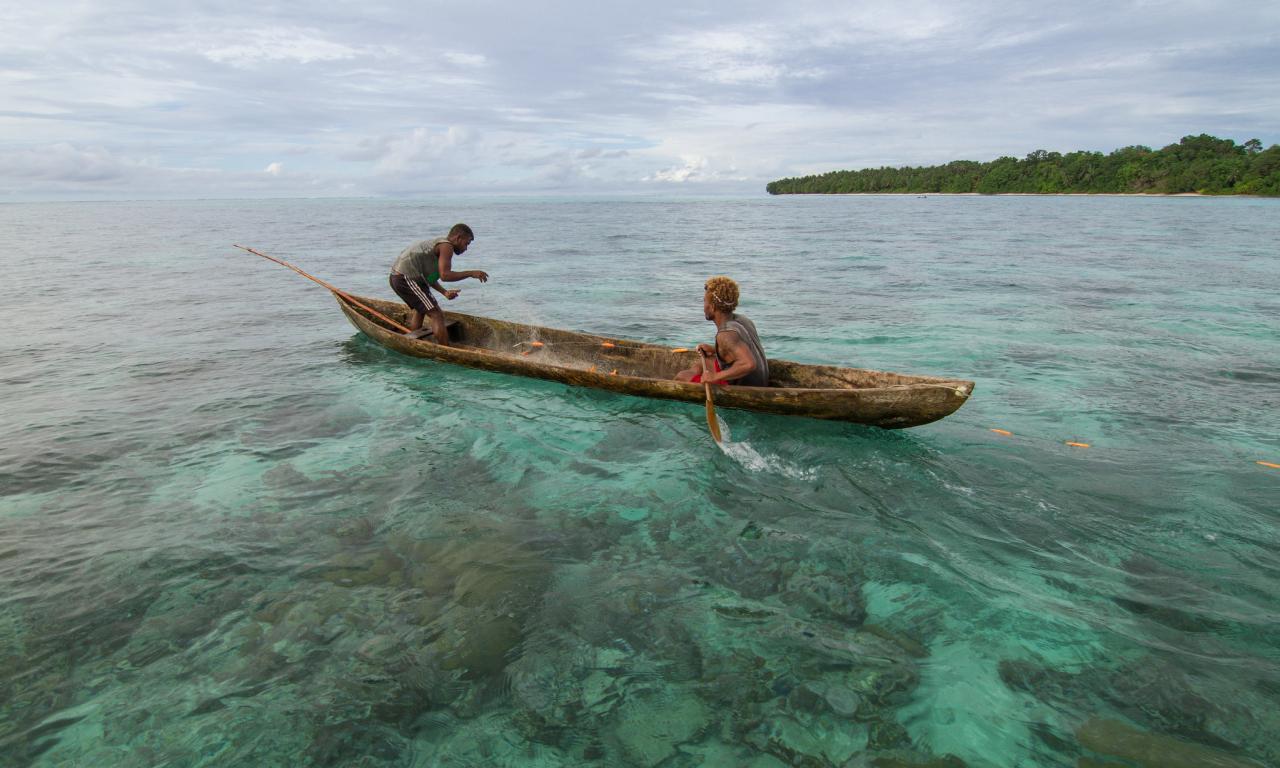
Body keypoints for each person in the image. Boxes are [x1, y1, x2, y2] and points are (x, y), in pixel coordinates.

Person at [388, 223, 488, 344]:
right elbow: (445, 275)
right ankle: (445, 349)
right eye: (466, 243)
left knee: (422, 309)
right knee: (436, 314)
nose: (466, 248)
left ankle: (417, 343)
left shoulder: (440, 246)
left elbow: (430, 278)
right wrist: (471, 273)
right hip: (404, 277)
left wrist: (444, 292)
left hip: (409, 278)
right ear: (458, 238)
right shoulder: (447, 247)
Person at [674, 276, 770, 387]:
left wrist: (714, 377)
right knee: (701, 364)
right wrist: (716, 350)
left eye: (705, 301)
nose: (704, 306)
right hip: (760, 380)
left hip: (745, 387)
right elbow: (741, 346)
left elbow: (749, 364)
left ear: (713, 307)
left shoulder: (725, 335)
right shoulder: (744, 320)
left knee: (682, 376)